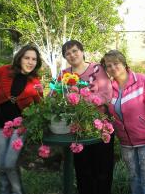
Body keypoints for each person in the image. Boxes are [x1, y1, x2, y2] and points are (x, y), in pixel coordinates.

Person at [100, 50, 145, 194]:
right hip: (126, 144)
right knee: (134, 179)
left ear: (124, 64)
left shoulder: (142, 81)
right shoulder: (110, 88)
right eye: (108, 65)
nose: (112, 68)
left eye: (115, 63)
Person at [0, 45, 43, 194]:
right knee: (1, 166)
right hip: (0, 125)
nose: (30, 62)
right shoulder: (4, 70)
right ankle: (4, 191)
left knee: (9, 164)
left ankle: (17, 191)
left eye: (34, 59)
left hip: (20, 128)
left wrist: (40, 98)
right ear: (20, 57)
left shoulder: (35, 81)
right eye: (27, 58)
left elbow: (40, 107)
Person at [61, 40, 114, 194]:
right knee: (83, 171)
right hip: (78, 129)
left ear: (82, 51)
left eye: (75, 51)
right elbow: (59, 97)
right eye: (68, 53)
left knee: (103, 171)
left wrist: (80, 99)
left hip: (101, 127)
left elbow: (107, 94)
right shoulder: (64, 74)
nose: (72, 55)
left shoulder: (97, 69)